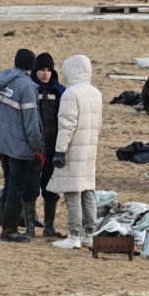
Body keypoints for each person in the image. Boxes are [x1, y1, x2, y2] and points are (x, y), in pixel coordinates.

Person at [0, 48, 45, 243]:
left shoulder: (0, 79)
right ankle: (9, 231)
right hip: (17, 144)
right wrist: (37, 147)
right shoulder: (27, 86)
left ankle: (6, 227)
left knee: (9, 181)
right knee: (16, 183)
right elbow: (31, 123)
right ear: (32, 66)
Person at [47, 55, 103, 250]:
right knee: (88, 191)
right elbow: (98, 125)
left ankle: (73, 236)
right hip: (89, 149)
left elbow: (67, 126)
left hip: (73, 149)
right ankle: (89, 234)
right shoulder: (96, 93)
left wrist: (60, 151)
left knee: (72, 192)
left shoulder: (71, 94)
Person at [32, 53, 64, 238]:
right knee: (30, 188)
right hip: (33, 149)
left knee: (50, 188)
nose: (45, 74)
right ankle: (29, 226)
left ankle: (49, 227)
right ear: (35, 71)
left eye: (48, 70)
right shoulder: (29, 90)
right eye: (42, 70)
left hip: (53, 148)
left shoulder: (60, 91)